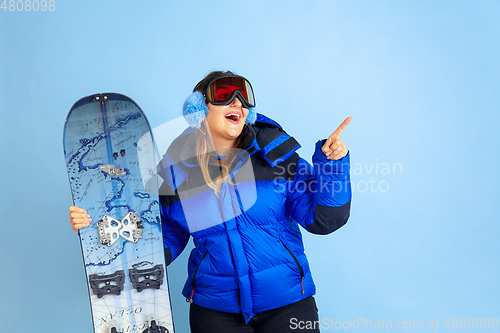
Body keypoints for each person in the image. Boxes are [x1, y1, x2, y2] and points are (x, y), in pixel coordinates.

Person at [69, 71, 352, 332]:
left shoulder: (276, 157)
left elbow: (325, 219)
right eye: (225, 95)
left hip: (287, 304)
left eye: (244, 98)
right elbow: (167, 233)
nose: (237, 103)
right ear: (199, 109)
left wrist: (333, 166)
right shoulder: (175, 171)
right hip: (215, 311)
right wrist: (100, 227)